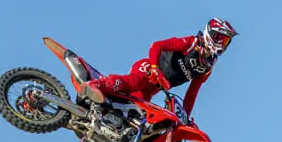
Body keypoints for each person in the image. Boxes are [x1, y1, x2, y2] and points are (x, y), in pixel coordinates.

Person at [78, 18, 237, 116]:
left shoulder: (206, 68)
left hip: (154, 88)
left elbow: (192, 94)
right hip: (148, 69)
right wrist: (154, 67)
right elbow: (157, 46)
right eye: (222, 39)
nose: (223, 44)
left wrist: (185, 117)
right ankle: (94, 85)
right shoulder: (191, 44)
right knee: (136, 80)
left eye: (226, 42)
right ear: (212, 35)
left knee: (137, 114)